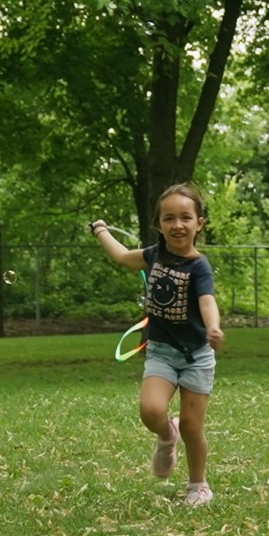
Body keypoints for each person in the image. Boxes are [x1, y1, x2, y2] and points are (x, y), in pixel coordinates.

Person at [89, 182, 224, 507]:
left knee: (192, 426)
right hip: (161, 352)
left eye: (185, 218)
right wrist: (101, 230)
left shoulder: (198, 266)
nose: (177, 225)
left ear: (199, 224)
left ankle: (198, 485)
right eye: (169, 218)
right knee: (150, 411)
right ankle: (166, 434)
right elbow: (122, 257)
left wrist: (213, 326)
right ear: (159, 225)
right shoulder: (153, 255)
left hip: (196, 355)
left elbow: (207, 300)